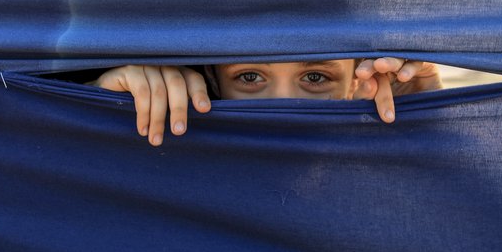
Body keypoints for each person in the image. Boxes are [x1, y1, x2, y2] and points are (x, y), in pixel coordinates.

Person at [91, 57, 442, 146]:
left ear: (356, 82)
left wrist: (430, 118)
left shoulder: (379, 189)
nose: (283, 107)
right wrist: (94, 111)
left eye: (316, 78)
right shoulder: (171, 161)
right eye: (249, 77)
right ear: (213, 79)